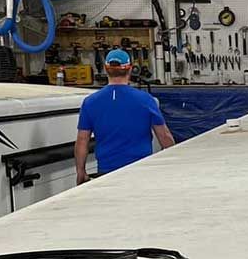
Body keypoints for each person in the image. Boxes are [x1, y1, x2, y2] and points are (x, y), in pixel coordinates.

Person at [74, 49, 174, 183]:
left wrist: (81, 171)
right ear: (130, 69)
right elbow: (164, 136)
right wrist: (175, 163)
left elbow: (82, 140)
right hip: (141, 171)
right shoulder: (146, 100)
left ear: (106, 69)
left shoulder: (90, 102)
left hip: (106, 173)